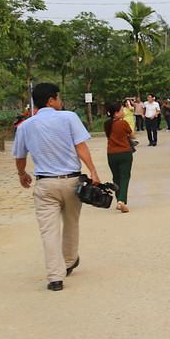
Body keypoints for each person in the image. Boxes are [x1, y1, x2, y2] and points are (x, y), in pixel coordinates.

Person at [12, 82, 102, 291]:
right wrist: (93, 171)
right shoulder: (69, 118)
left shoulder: (25, 126)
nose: (60, 101)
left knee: (48, 231)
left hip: (45, 184)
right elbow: (80, 146)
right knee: (71, 223)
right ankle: (69, 262)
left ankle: (55, 277)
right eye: (58, 97)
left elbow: (20, 156)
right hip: (71, 181)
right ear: (51, 100)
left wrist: (22, 174)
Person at [103, 100, 136, 213]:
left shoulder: (107, 124)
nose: (123, 112)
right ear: (116, 113)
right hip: (124, 152)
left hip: (111, 153)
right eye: (121, 111)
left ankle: (119, 200)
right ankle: (121, 201)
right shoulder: (123, 123)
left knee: (116, 177)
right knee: (125, 177)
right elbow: (132, 135)